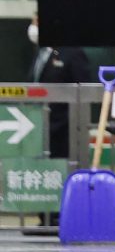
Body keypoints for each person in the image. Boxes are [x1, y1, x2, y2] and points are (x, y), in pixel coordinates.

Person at [27, 15, 91, 159]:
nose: (33, 28)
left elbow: (84, 90)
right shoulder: (40, 53)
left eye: (37, 22)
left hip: (63, 132)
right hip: (37, 128)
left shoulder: (73, 53)